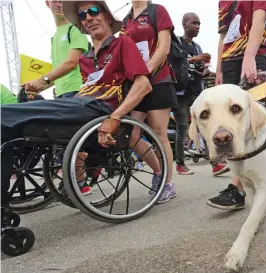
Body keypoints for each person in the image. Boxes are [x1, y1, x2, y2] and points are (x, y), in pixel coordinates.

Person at [1, 1, 153, 210]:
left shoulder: (122, 43)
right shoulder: (86, 59)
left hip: (98, 107)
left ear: (107, 16)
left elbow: (143, 84)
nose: (88, 18)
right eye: (82, 16)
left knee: (8, 115)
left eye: (93, 11)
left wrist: (115, 117)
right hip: (80, 104)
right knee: (10, 126)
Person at [207, 0, 266, 210]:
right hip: (229, 58)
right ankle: (261, 174)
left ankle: (238, 188)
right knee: (231, 120)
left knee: (254, 116)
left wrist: (250, 56)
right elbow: (223, 35)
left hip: (255, 53)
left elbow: (259, 19)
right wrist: (218, 69)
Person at [120, 0, 177, 203]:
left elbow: (164, 47)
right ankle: (158, 172)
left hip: (159, 79)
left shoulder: (157, 11)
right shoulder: (125, 20)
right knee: (131, 135)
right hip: (135, 84)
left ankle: (168, 184)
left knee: (159, 133)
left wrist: (146, 71)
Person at [174, 12, 229, 176]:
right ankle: (180, 164)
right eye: (194, 23)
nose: (198, 26)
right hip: (181, 94)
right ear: (185, 24)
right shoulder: (176, 43)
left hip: (197, 93)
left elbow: (202, 67)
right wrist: (194, 60)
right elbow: (172, 63)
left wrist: (204, 69)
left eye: (199, 24)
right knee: (182, 129)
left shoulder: (197, 47)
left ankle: (215, 163)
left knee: (207, 126)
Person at [24, 0, 89, 100]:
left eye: (63, 1)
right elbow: (57, 73)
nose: (59, 5)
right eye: (55, 1)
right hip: (59, 94)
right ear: (47, 3)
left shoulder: (75, 28)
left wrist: (42, 80)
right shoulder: (54, 37)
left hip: (77, 91)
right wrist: (36, 86)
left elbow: (72, 62)